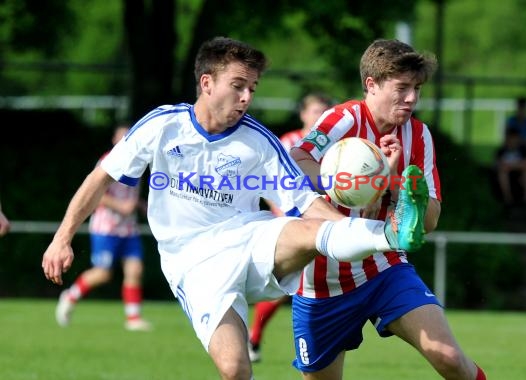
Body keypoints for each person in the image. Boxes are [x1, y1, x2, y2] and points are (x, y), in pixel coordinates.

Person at [42, 36, 429, 380]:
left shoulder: (258, 142)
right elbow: (100, 177)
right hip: (191, 262)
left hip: (248, 236)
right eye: (238, 86)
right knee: (235, 368)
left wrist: (374, 226)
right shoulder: (163, 126)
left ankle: (392, 234)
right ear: (207, 84)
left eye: (252, 89)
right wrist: (62, 239)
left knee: (310, 230)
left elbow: (308, 204)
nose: (246, 97)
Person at [289, 39, 486, 380]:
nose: (412, 99)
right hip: (323, 281)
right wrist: (345, 182)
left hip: (384, 268)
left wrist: (394, 184)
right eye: (402, 88)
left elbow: (429, 221)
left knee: (450, 357)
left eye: (417, 88)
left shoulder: (418, 136)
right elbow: (298, 160)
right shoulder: (343, 119)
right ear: (372, 84)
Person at [248, 92, 334, 363]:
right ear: (303, 114)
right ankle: (253, 337)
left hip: (322, 222)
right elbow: (265, 182)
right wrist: (280, 212)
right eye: (314, 111)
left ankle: (322, 345)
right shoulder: (288, 142)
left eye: (324, 111)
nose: (319, 116)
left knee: (318, 285)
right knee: (286, 286)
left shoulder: (337, 146)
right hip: (290, 223)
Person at [54, 125, 152, 332]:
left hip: (128, 228)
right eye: (122, 135)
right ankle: (70, 296)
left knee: (135, 269)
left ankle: (133, 318)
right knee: (103, 273)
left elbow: (130, 197)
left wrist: (140, 206)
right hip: (106, 227)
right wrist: (122, 207)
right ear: (115, 138)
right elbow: (96, 192)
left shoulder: (141, 161)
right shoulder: (108, 160)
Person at [495, 126, 526, 212]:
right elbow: (500, 165)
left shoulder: (523, 150)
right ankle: (508, 200)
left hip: (520, 175)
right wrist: (519, 165)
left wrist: (510, 166)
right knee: (502, 173)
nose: (512, 141)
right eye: (510, 139)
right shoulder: (501, 151)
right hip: (508, 176)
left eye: (514, 139)